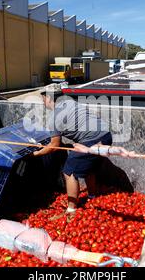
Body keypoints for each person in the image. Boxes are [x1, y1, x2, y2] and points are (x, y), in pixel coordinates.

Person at [33, 89, 112, 218]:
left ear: (48, 98)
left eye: (43, 99)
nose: (43, 103)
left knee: (69, 172)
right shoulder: (72, 103)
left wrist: (36, 154)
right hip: (106, 135)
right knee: (88, 166)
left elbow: (54, 146)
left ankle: (71, 210)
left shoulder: (54, 117)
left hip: (91, 139)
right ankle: (92, 196)